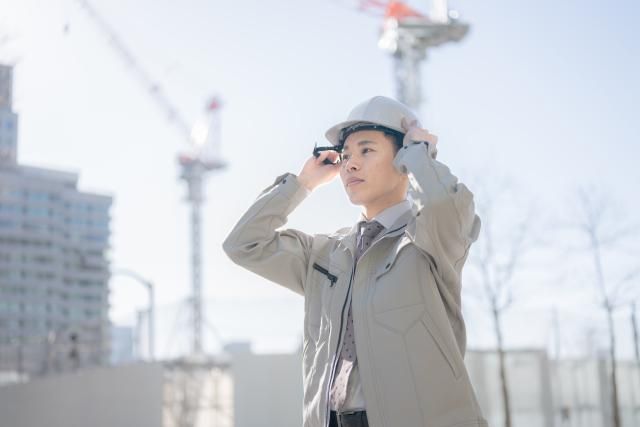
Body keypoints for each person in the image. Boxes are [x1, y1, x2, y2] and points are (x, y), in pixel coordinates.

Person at [223, 96, 487, 427]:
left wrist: (420, 154)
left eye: (366, 150)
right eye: (346, 155)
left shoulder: (430, 241)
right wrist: (301, 185)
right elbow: (243, 244)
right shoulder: (325, 255)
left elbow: (442, 205)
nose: (350, 164)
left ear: (403, 159)